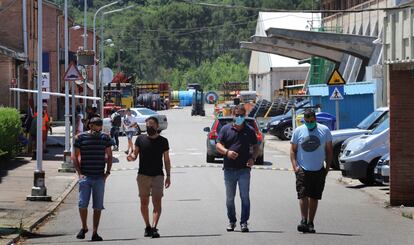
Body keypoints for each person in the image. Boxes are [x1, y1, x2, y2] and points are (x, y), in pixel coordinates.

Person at [216, 105, 260, 233]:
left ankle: (244, 222)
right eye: (237, 115)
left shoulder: (249, 130)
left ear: (245, 115)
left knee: (245, 197)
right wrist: (227, 152)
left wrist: (253, 158)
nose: (239, 117)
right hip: (229, 169)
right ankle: (232, 221)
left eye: (242, 115)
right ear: (233, 115)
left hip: (244, 170)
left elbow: (256, 146)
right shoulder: (225, 129)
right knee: (230, 198)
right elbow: (218, 144)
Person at [127, 116, 171, 238]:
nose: (149, 127)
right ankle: (147, 226)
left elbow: (166, 160)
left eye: (151, 125)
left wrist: (168, 176)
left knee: (157, 202)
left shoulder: (163, 141)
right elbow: (135, 155)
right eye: (147, 125)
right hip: (143, 176)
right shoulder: (140, 139)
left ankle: (154, 227)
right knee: (144, 202)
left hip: (158, 176)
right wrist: (131, 158)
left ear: (157, 126)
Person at [290, 108, 333, 233]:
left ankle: (310, 222)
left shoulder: (324, 131)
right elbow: (293, 150)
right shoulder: (298, 131)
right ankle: (303, 220)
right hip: (302, 169)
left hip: (318, 169)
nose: (309, 123)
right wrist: (295, 167)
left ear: (316, 119)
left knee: (314, 197)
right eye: (307, 121)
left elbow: (329, 151)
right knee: (303, 195)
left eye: (311, 121)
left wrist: (327, 167)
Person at [73, 117, 113, 241]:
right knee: (82, 204)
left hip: (99, 177)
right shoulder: (80, 138)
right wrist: (79, 173)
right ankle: (84, 227)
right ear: (90, 125)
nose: (99, 127)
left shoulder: (105, 138)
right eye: (96, 125)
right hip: (86, 176)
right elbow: (75, 157)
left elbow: (110, 156)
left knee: (98, 206)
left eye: (100, 125)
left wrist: (107, 172)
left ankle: (95, 232)